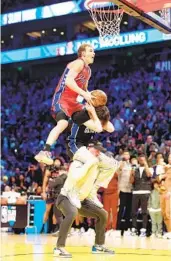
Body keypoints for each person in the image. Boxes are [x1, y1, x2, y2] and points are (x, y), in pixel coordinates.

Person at [35, 43, 95, 165]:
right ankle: (44, 151)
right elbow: (68, 81)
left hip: (74, 102)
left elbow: (84, 89)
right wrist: (84, 94)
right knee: (62, 123)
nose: (93, 53)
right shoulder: (79, 62)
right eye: (91, 51)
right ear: (83, 54)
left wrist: (91, 97)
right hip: (62, 99)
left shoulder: (88, 70)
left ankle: (82, 149)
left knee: (93, 119)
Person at [54, 143, 116, 258]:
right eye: (95, 150)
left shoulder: (95, 166)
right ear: (88, 149)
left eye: (99, 151)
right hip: (66, 197)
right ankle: (59, 247)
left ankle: (98, 245)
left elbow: (110, 167)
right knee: (72, 213)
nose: (97, 153)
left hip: (81, 200)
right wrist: (89, 163)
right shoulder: (77, 163)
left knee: (103, 214)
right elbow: (77, 177)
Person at [130, 154, 153, 237]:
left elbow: (149, 175)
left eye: (143, 160)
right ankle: (134, 229)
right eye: (140, 160)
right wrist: (131, 173)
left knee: (144, 212)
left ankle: (144, 229)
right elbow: (131, 181)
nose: (141, 161)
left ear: (145, 160)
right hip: (136, 191)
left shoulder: (149, 168)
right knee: (133, 212)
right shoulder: (135, 169)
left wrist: (146, 164)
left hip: (145, 191)